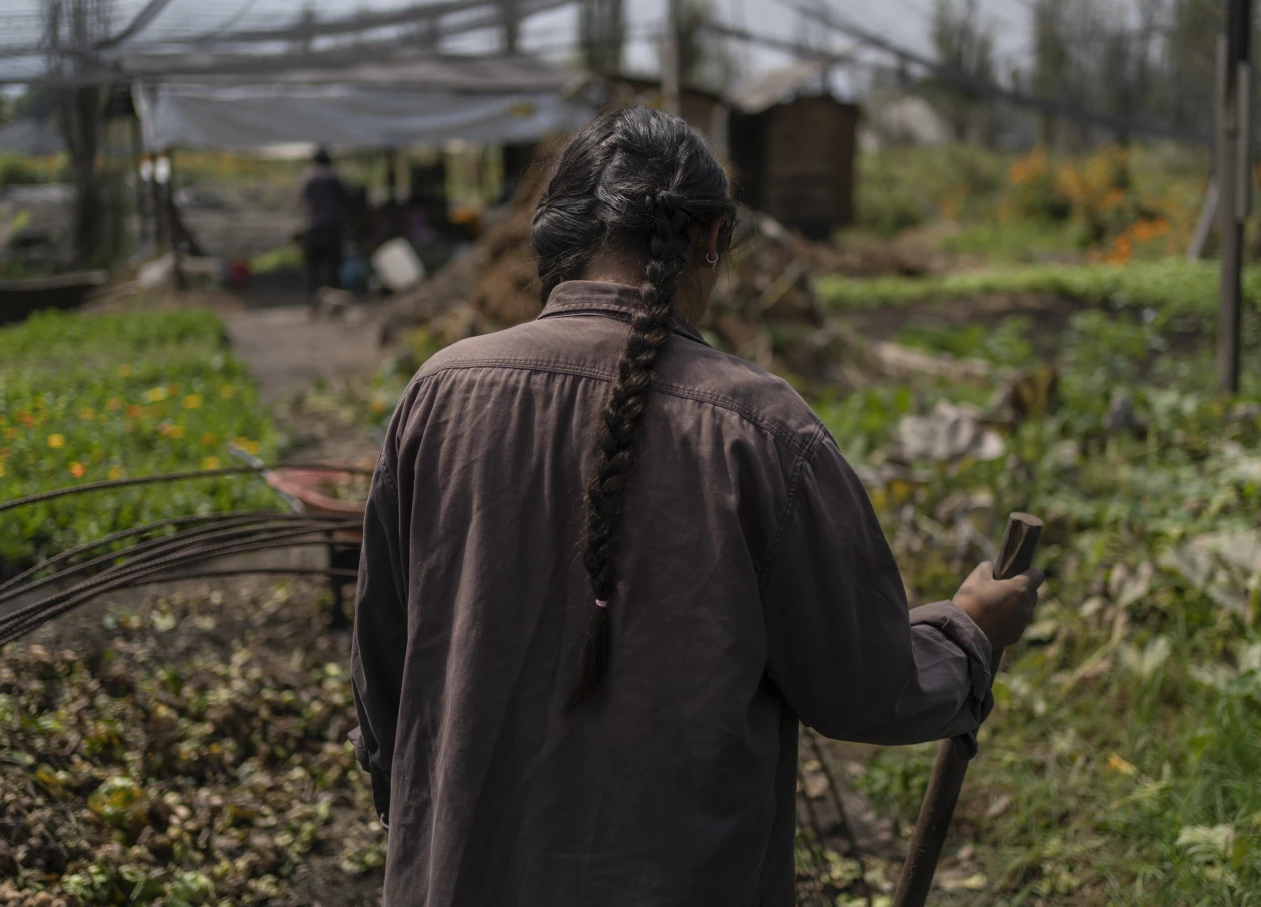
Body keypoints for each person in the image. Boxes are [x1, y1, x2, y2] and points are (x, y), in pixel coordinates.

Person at [349, 107, 1043, 907]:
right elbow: (862, 685)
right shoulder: (765, 431)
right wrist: (966, 635)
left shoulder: (439, 394)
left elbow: (384, 668)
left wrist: (417, 815)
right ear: (710, 238)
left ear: (553, 241)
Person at [299, 146, 350, 299]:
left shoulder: (307, 177)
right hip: (332, 227)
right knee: (333, 266)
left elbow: (303, 200)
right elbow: (345, 199)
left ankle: (314, 299)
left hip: (312, 227)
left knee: (313, 267)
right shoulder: (334, 176)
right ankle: (335, 298)